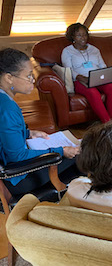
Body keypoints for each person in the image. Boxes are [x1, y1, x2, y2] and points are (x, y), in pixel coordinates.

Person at [0, 48, 80, 195]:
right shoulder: (7, 108)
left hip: (9, 167)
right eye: (29, 76)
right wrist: (61, 151)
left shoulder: (3, 100)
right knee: (83, 155)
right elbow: (17, 157)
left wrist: (28, 133)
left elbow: (4, 133)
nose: (33, 80)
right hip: (15, 178)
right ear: (9, 78)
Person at [61, 23, 112, 123]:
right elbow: (68, 70)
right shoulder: (67, 51)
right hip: (80, 80)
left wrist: (106, 75)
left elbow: (102, 65)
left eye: (84, 34)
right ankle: (107, 122)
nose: (83, 38)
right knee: (93, 92)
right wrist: (80, 77)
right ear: (72, 37)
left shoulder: (94, 49)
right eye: (79, 35)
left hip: (98, 78)